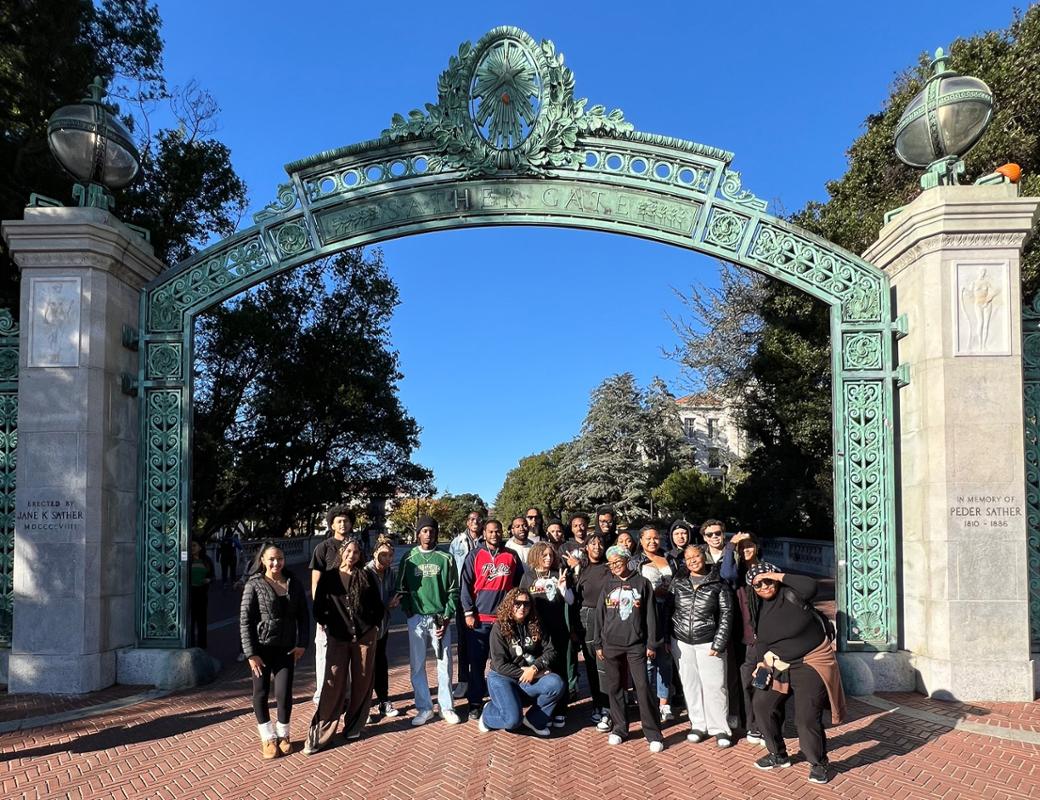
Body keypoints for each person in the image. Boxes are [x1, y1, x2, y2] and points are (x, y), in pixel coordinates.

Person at [747, 562, 847, 785]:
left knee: (805, 717)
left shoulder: (792, 593)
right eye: (757, 585)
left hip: (810, 662)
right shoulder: (760, 607)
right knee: (762, 705)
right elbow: (762, 640)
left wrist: (775, 575)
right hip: (780, 664)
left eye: (767, 581)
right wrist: (762, 662)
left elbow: (811, 585)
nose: (763, 586)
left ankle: (818, 763)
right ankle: (778, 754)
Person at [305, 537, 385, 754]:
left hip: (364, 637)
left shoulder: (365, 575)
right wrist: (326, 624)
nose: (352, 555)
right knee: (333, 684)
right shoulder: (329, 577)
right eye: (349, 551)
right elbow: (318, 606)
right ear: (342, 552)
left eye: (356, 552)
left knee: (362, 681)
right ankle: (322, 732)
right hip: (338, 637)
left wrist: (374, 625)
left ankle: (353, 726)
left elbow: (377, 605)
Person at [592, 544, 665, 752]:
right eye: (611, 563)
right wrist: (598, 643)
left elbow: (651, 615)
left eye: (618, 561)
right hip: (611, 644)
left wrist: (652, 643)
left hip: (636, 644)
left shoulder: (642, 583)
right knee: (615, 687)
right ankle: (619, 728)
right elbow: (599, 615)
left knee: (642, 686)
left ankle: (652, 732)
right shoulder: (608, 585)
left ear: (627, 560)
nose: (614, 566)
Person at [240, 543, 309, 759]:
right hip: (261, 649)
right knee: (260, 693)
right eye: (271, 559)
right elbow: (245, 621)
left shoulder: (293, 583)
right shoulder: (254, 585)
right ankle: (267, 737)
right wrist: (251, 653)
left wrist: (302, 643)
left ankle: (283, 734)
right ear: (262, 560)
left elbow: (304, 617)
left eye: (279, 558)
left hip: (286, 649)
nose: (275, 563)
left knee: (283, 693)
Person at [395, 516, 460, 725]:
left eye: (431, 531)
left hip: (440, 619)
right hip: (417, 620)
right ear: (418, 534)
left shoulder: (446, 558)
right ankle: (424, 707)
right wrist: (410, 612)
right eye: (424, 531)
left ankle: (446, 707)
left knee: (445, 663)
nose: (428, 534)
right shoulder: (409, 558)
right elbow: (401, 588)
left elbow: (453, 590)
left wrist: (447, 616)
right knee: (417, 664)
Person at [476, 588, 564, 737]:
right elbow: (499, 665)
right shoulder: (499, 628)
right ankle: (488, 714)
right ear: (510, 604)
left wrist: (535, 668)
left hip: (528, 677)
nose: (522, 607)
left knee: (556, 683)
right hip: (502, 678)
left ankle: (533, 720)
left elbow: (551, 650)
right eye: (517, 603)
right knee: (512, 721)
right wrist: (527, 672)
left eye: (526, 604)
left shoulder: (536, 624)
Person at [459, 518, 524, 721]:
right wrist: (468, 612)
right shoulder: (475, 555)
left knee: (504, 662)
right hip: (480, 620)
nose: (494, 535)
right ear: (484, 534)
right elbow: (466, 585)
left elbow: (519, 586)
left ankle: (504, 700)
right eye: (490, 532)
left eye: (497, 531)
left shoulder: (511, 556)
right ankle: (475, 703)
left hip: (503, 620)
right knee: (477, 663)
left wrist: (515, 612)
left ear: (502, 532)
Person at [671, 545, 734, 748]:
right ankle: (698, 724)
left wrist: (720, 641)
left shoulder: (718, 582)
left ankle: (720, 728)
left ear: (703, 556)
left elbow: (726, 614)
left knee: (715, 686)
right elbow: (668, 611)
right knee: (690, 685)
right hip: (681, 641)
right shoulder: (679, 582)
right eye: (687, 558)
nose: (692, 560)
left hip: (708, 642)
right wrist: (667, 637)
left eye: (695, 556)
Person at [520, 542, 573, 727]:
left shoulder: (558, 573)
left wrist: (563, 588)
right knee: (540, 671)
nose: (548, 559)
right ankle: (543, 711)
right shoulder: (528, 577)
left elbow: (571, 600)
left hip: (557, 629)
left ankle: (560, 710)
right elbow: (521, 602)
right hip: (536, 632)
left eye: (550, 555)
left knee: (559, 669)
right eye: (544, 555)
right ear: (535, 556)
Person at [310, 505, 356, 705]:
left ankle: (346, 694)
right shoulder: (323, 547)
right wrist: (319, 612)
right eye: (339, 521)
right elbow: (315, 582)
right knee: (324, 653)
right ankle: (323, 693)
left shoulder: (356, 545)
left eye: (346, 520)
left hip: (350, 611)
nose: (343, 524)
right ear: (332, 524)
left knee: (348, 654)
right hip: (329, 609)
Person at [719, 530, 763, 739]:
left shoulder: (767, 570)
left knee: (768, 683)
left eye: (749, 545)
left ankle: (768, 724)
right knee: (747, 683)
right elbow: (726, 574)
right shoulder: (737, 574)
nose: (746, 550)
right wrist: (730, 546)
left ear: (757, 547)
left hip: (766, 635)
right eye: (742, 547)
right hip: (745, 637)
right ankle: (752, 724)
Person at [637, 525, 677, 722]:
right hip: (646, 615)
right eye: (648, 538)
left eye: (656, 538)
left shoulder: (669, 558)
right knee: (648, 660)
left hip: (668, 612)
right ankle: (648, 702)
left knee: (666, 660)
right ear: (641, 540)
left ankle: (664, 703)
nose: (653, 541)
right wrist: (653, 593)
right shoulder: (637, 561)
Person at [573, 532, 610, 724]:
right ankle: (598, 704)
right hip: (586, 618)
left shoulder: (609, 567)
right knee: (592, 665)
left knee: (605, 663)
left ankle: (609, 706)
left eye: (600, 543)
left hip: (607, 616)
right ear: (586, 547)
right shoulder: (581, 569)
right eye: (592, 544)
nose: (597, 547)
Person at [449, 510, 484, 700]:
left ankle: (481, 680)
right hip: (463, 598)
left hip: (484, 597)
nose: (475, 522)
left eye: (478, 519)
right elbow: (452, 570)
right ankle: (463, 681)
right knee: (463, 642)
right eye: (472, 519)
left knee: (483, 641)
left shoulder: (486, 541)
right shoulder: (457, 542)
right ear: (467, 522)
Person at [366, 536, 400, 719]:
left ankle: (383, 701)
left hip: (383, 627)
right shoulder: (365, 572)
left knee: (380, 663)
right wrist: (387, 605)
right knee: (365, 668)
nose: (387, 558)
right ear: (375, 553)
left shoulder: (390, 573)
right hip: (367, 628)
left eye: (390, 555)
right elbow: (366, 605)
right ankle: (364, 706)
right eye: (383, 554)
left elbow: (393, 592)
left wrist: (394, 601)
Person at [189, 539, 214, 649]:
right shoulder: (187, 560)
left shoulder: (206, 560)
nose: (192, 548)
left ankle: (202, 647)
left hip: (202, 594)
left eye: (194, 545)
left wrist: (208, 580)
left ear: (200, 547)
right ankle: (190, 644)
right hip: (190, 594)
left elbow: (212, 576)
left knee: (201, 622)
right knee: (190, 621)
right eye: (191, 546)